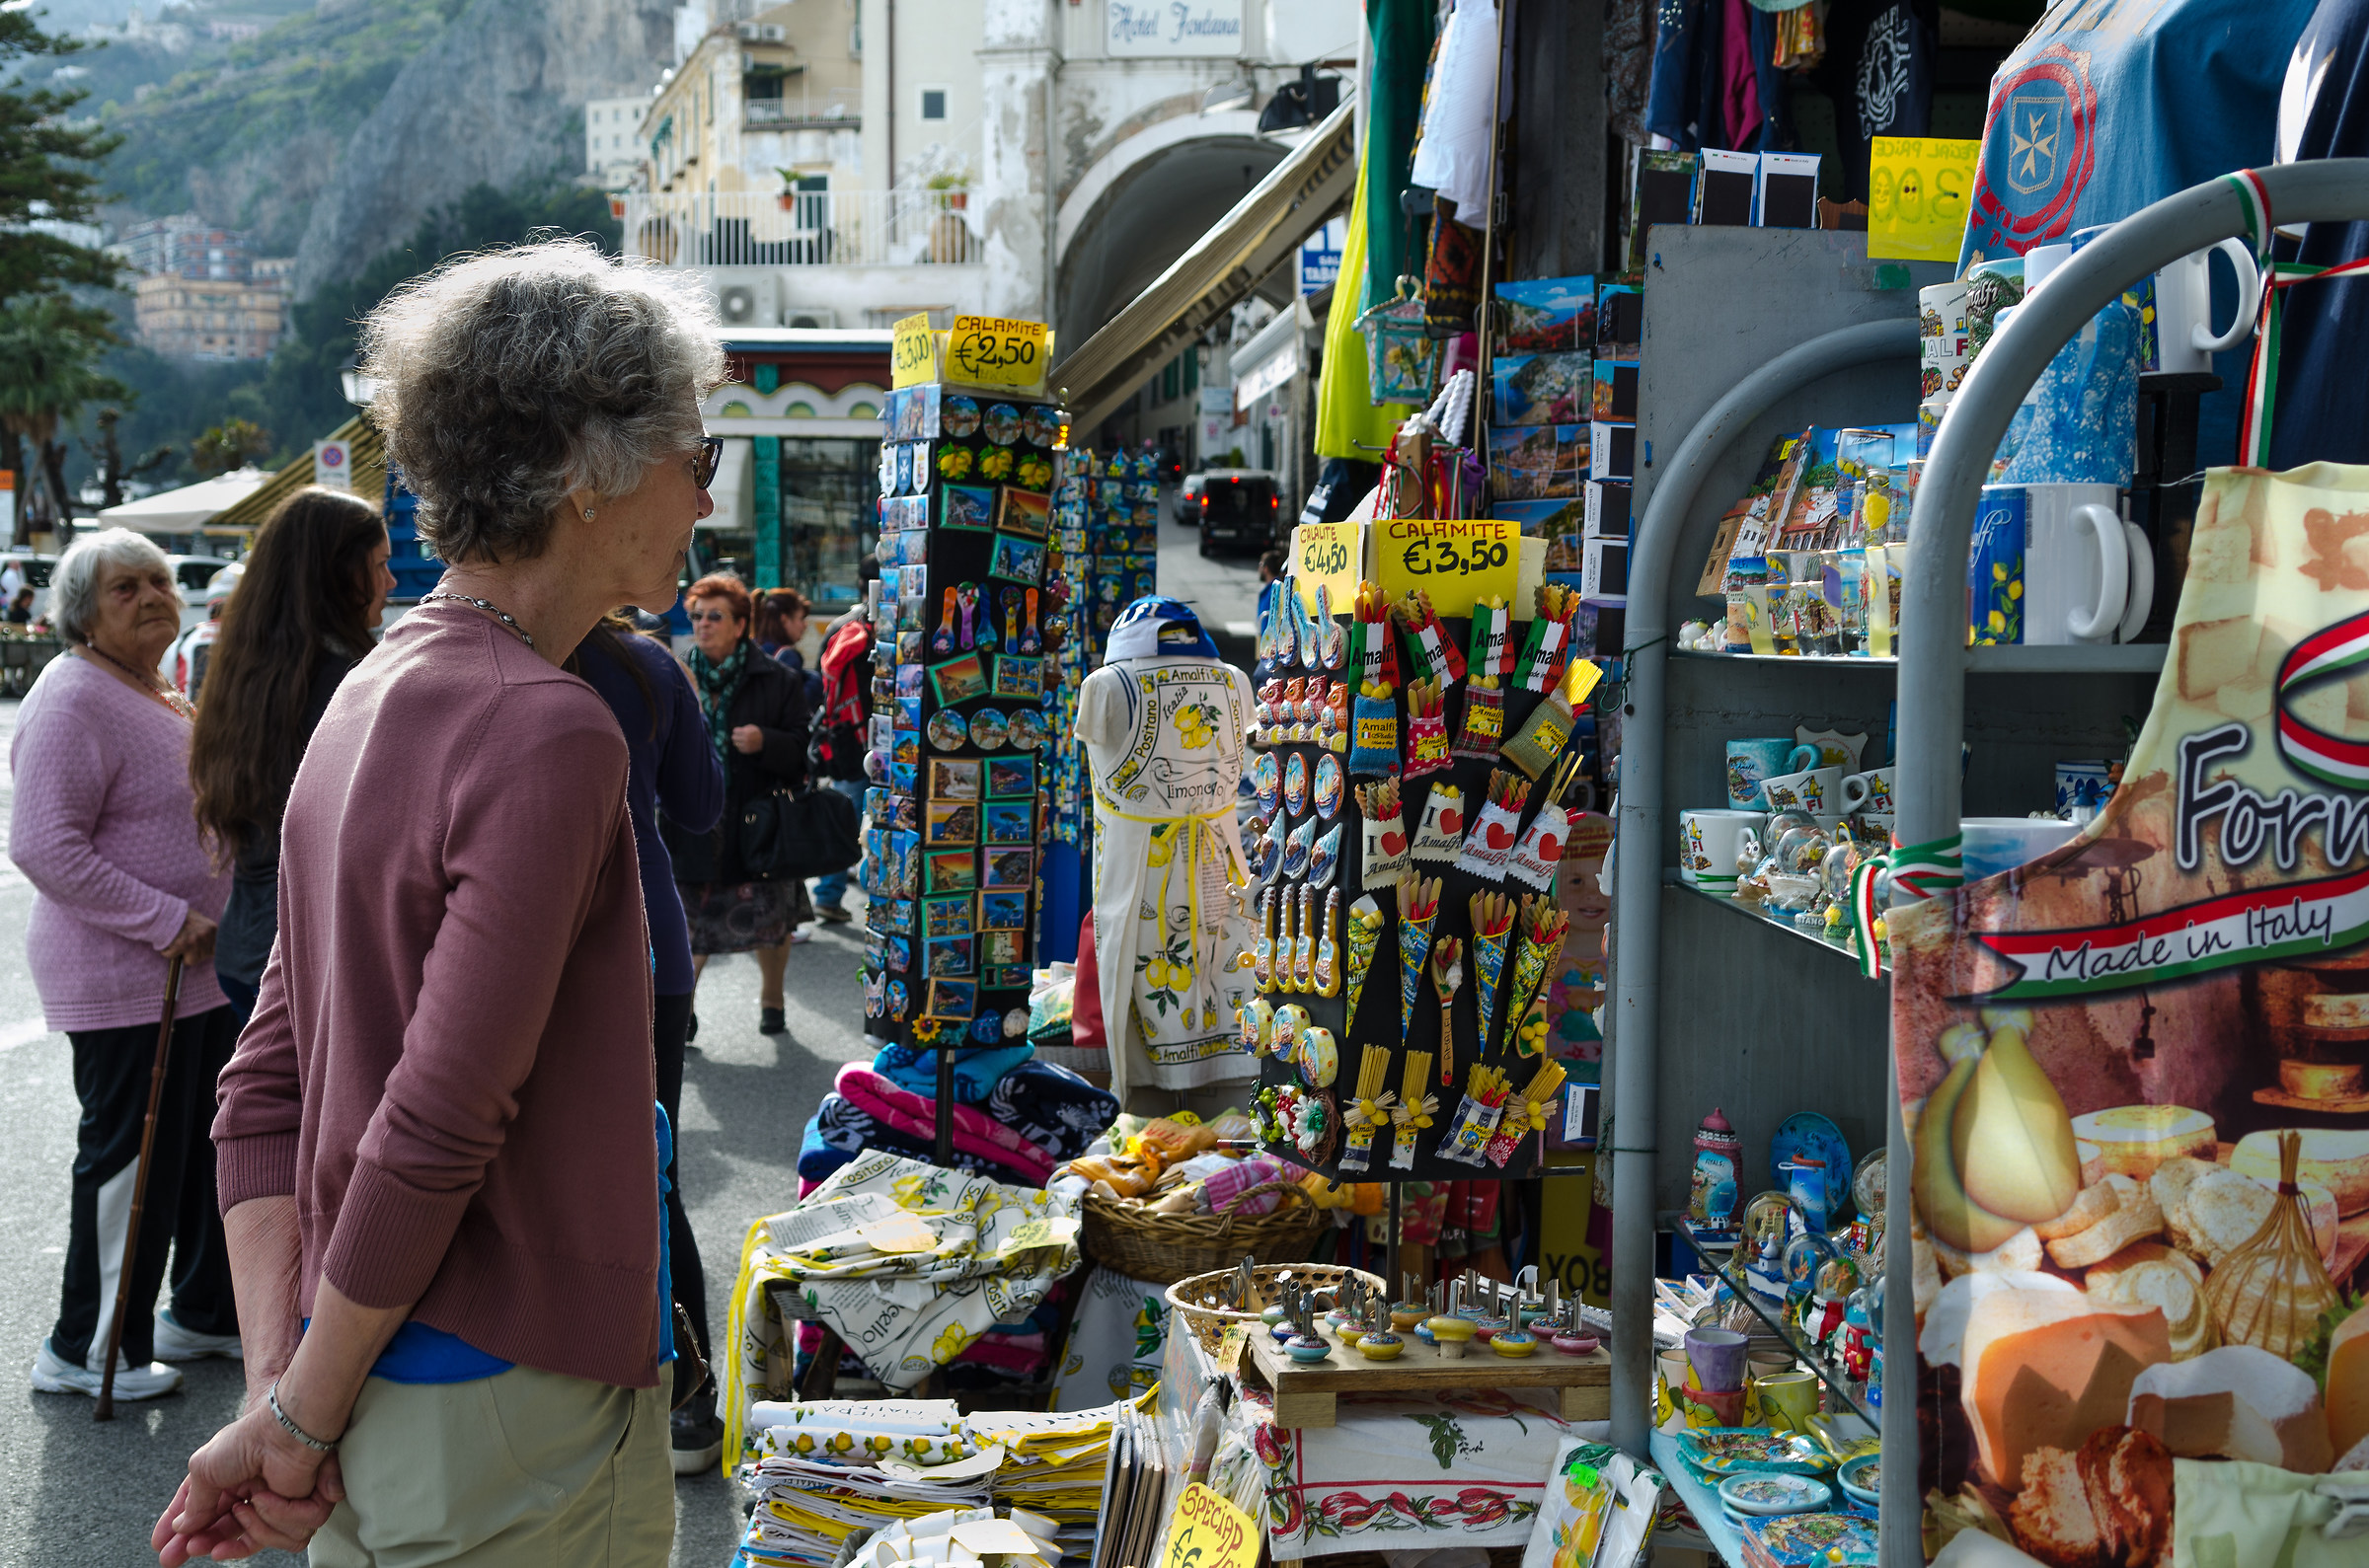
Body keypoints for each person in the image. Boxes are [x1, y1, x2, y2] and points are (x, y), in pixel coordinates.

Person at [155, 239, 721, 1566]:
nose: (704, 496)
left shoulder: (373, 691)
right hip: (506, 1408)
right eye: (695, 455)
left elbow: (264, 1085)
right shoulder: (550, 729)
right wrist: (294, 1413)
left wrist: (286, 1390)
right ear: (591, 466)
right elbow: (437, 1122)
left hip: (374, 1380)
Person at [14, 528, 241, 1403]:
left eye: (157, 580)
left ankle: (199, 1313)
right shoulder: (72, 696)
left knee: (186, 1154)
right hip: (130, 974)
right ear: (84, 612)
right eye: (124, 588)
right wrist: (161, 917)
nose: (151, 596)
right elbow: (42, 843)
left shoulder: (148, 685)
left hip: (189, 973)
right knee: (129, 1161)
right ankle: (86, 1346)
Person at [570, 614, 726, 1473]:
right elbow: (701, 805)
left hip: (537, 945)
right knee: (650, 1169)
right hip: (647, 941)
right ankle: (690, 1403)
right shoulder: (649, 665)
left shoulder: (490, 643)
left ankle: (593, 1393)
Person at [188, 488, 395, 1025]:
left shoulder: (245, 670)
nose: (391, 583)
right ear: (341, 575)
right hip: (305, 964)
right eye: (380, 566)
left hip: (244, 950)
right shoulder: (349, 683)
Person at [666, 572, 811, 1038]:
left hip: (757, 825)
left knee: (770, 922)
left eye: (714, 616)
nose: (702, 625)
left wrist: (765, 742)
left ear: (740, 624)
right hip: (693, 826)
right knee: (688, 930)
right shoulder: (675, 676)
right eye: (696, 616)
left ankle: (772, 998)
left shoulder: (779, 680)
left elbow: (801, 752)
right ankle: (681, 1011)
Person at [807, 582, 874, 925]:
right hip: (874, 739)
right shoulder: (876, 627)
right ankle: (834, 896)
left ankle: (828, 894)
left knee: (844, 816)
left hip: (845, 737)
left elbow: (824, 682)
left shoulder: (841, 625)